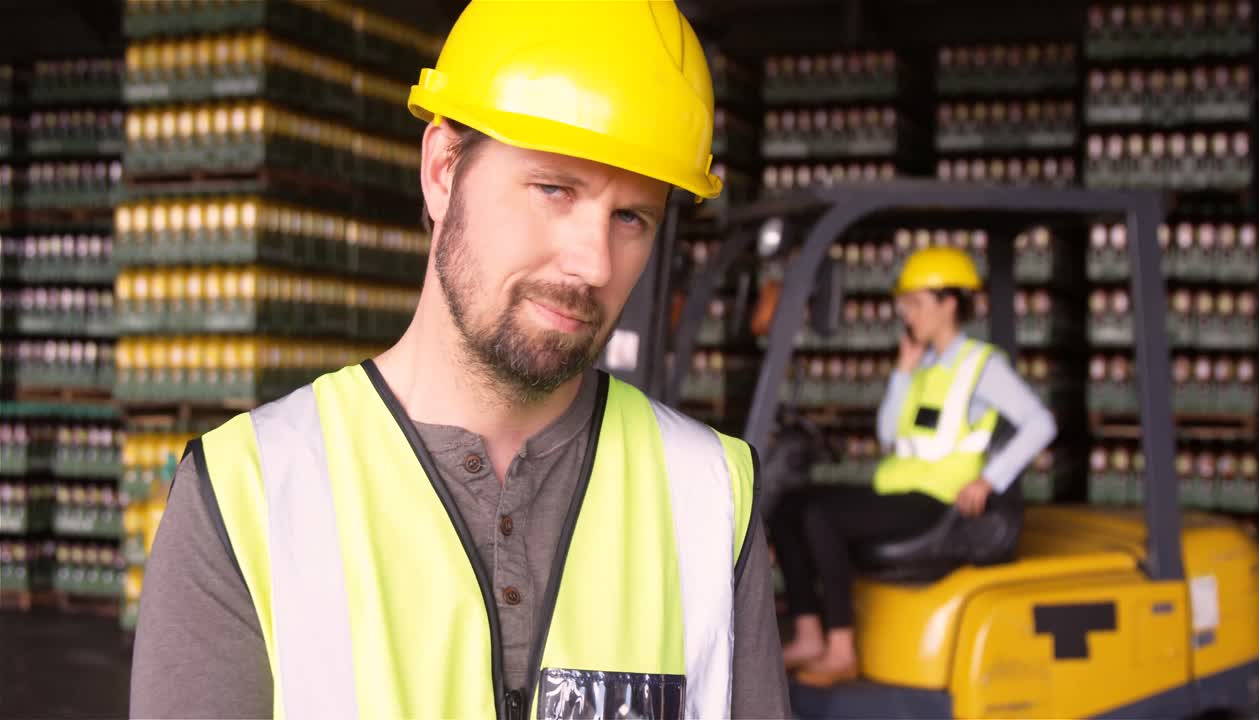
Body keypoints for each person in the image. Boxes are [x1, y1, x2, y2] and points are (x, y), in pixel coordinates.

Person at [128, 3, 790, 719]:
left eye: (632, 218)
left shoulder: (709, 495)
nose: (593, 262)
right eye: (555, 189)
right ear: (443, 170)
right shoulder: (248, 494)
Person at [770, 246, 1057, 686]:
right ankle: (809, 634)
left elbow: (1040, 423)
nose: (908, 313)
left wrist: (989, 479)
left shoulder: (982, 365)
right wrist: (902, 374)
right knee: (789, 503)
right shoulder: (921, 365)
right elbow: (889, 433)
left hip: (937, 502)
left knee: (820, 515)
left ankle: (841, 648)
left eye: (917, 303)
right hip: (900, 493)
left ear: (949, 304)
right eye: (905, 303)